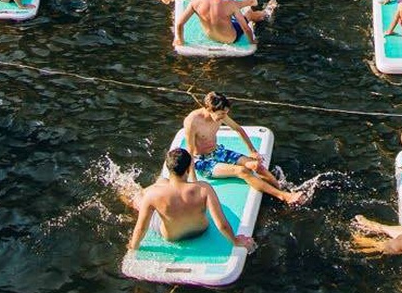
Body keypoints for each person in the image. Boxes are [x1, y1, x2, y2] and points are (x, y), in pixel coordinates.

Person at [176, 92, 305, 203]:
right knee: (242, 171)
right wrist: (194, 182)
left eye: (225, 113)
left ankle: (281, 187)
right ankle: (284, 196)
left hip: (218, 151)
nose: (223, 117)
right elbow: (190, 153)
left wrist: (252, 151)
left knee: (256, 165)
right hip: (202, 161)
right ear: (209, 109)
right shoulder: (192, 122)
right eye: (221, 114)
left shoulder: (220, 113)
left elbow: (238, 129)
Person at [126, 146, 236, 250]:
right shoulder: (204, 189)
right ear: (188, 169)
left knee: (138, 197)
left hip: (172, 237)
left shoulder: (153, 195)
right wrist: (236, 241)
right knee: (162, 181)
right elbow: (222, 225)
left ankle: (127, 192)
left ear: (169, 168)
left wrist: (133, 246)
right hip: (200, 230)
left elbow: (141, 228)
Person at [177, 0, 278, 48]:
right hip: (230, 39)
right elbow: (246, 28)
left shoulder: (195, 2)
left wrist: (180, 41)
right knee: (249, 14)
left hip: (210, 36)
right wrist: (252, 42)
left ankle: (250, 0)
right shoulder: (229, 3)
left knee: (229, 14)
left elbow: (179, 24)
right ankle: (266, 12)